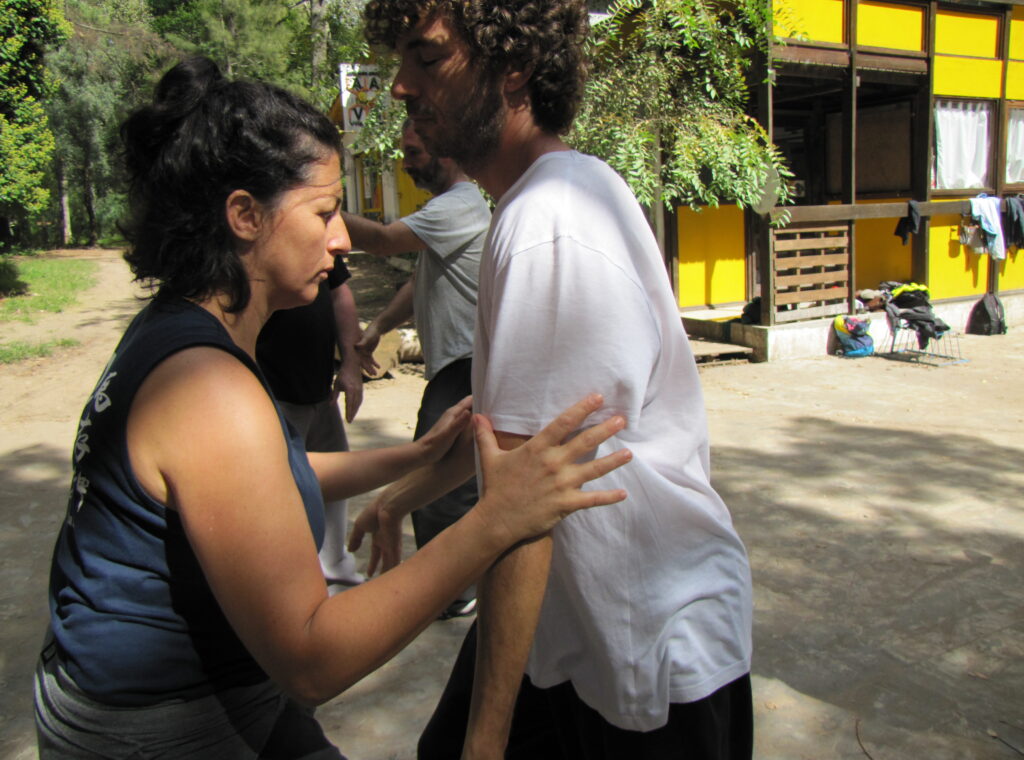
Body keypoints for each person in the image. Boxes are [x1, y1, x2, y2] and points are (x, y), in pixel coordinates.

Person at [32, 56, 634, 760]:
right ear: (244, 216)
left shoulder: (176, 331)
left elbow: (260, 481)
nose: (343, 238)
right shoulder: (208, 390)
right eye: (323, 214)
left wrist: (411, 460)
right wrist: (495, 522)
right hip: (162, 728)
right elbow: (311, 660)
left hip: (167, 701)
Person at [359, 0, 755, 758]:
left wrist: (485, 740)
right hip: (585, 634)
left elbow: (522, 506)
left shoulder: (547, 224)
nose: (403, 85)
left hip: (639, 656)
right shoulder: (550, 198)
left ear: (513, 67)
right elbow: (518, 431)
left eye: (428, 56)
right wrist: (404, 493)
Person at [344, 119, 490, 618]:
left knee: (439, 479)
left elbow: (384, 240)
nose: (405, 164)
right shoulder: (446, 211)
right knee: (442, 474)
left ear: (446, 150)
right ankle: (456, 586)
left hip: (466, 363)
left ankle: (455, 591)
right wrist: (380, 325)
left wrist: (319, 210)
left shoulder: (460, 204)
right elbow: (420, 279)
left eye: (413, 152)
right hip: (454, 363)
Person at [256, 256, 368, 592]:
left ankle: (334, 578)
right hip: (271, 394)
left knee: (334, 487)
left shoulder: (323, 243)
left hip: (320, 393)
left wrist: (350, 363)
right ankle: (280, 590)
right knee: (277, 496)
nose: (340, 240)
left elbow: (339, 291)